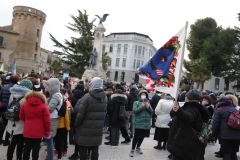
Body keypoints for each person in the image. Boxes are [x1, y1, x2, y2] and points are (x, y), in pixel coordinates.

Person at [167, 89, 210, 160]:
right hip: (189, 146)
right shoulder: (193, 108)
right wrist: (176, 111)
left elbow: (188, 118)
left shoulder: (193, 109)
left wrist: (179, 111)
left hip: (185, 147)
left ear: (189, 98)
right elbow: (174, 115)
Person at [75, 77, 107, 160]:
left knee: (83, 148)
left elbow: (80, 114)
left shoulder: (87, 97)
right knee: (95, 148)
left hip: (85, 128)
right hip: (97, 129)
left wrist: (76, 124)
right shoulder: (104, 98)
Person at [20, 90, 51, 160]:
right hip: (39, 130)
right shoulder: (44, 106)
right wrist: (47, 131)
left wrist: (28, 120)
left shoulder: (25, 104)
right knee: (36, 148)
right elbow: (47, 121)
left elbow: (21, 116)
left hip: (28, 129)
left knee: (27, 147)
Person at [6, 79, 32, 160]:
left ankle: (9, 157)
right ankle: (19, 157)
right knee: (20, 143)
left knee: (11, 143)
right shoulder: (26, 97)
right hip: (21, 123)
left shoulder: (12, 94)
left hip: (11, 120)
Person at [129, 90, 153, 157]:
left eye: (144, 94)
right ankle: (132, 149)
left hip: (146, 122)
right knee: (136, 136)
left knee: (142, 136)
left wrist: (148, 107)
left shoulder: (148, 102)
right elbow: (135, 111)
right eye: (142, 94)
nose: (143, 95)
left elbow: (151, 111)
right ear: (139, 95)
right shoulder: (136, 102)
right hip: (139, 122)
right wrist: (142, 106)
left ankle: (138, 147)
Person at [44, 78, 63, 160]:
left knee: (49, 140)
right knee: (49, 140)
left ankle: (50, 157)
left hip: (52, 119)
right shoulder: (57, 94)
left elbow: (50, 108)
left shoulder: (56, 96)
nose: (47, 88)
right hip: (52, 118)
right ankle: (49, 156)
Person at [0, 74, 19, 145]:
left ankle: (0, 138)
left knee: (3, 123)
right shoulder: (17, 88)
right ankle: (7, 140)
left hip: (4, 107)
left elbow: (0, 96)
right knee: (10, 124)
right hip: (12, 109)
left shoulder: (4, 87)